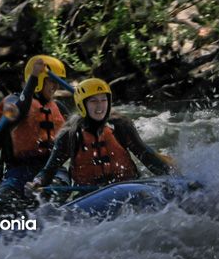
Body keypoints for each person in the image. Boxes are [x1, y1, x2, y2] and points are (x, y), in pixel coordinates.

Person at [26, 78, 175, 196]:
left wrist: (173, 177)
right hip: (90, 194)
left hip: (128, 187)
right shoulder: (70, 135)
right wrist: (37, 183)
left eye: (104, 100)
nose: (100, 107)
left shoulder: (121, 125)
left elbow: (145, 155)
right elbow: (49, 170)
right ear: (82, 105)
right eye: (93, 101)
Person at [0, 55, 71, 217]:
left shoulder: (59, 107)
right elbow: (20, 111)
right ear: (38, 80)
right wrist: (33, 79)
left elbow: (78, 137)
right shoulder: (14, 102)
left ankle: (32, 209)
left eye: (58, 81)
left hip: (53, 171)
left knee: (54, 191)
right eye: (52, 81)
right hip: (19, 171)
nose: (56, 86)